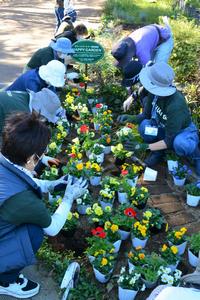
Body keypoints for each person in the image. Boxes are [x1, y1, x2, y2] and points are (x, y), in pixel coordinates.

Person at [0, 112, 87, 298]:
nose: (44, 157)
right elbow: (53, 228)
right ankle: (6, 280)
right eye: (41, 155)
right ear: (31, 159)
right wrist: (68, 197)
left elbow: (20, 177)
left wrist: (52, 185)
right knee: (35, 232)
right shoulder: (23, 200)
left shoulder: (3, 161)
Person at [118, 62, 200, 175]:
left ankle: (195, 156)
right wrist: (131, 118)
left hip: (181, 133)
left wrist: (144, 146)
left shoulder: (176, 104)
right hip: (163, 129)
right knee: (144, 126)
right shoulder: (154, 92)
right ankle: (158, 152)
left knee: (181, 144)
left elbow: (169, 140)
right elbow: (145, 116)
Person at [0, 88, 65, 138]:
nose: (41, 118)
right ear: (39, 108)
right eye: (43, 116)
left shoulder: (24, 95)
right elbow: (9, 138)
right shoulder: (23, 113)